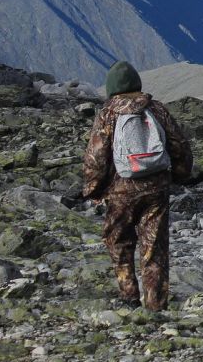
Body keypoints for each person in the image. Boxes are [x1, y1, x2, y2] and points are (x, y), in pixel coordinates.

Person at [81, 61, 193, 311]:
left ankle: (129, 295)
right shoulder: (157, 109)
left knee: (118, 241)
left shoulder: (108, 114)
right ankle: (156, 304)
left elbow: (96, 157)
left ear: (112, 87)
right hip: (157, 187)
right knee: (154, 246)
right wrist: (181, 175)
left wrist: (92, 189)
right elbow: (179, 144)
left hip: (121, 190)